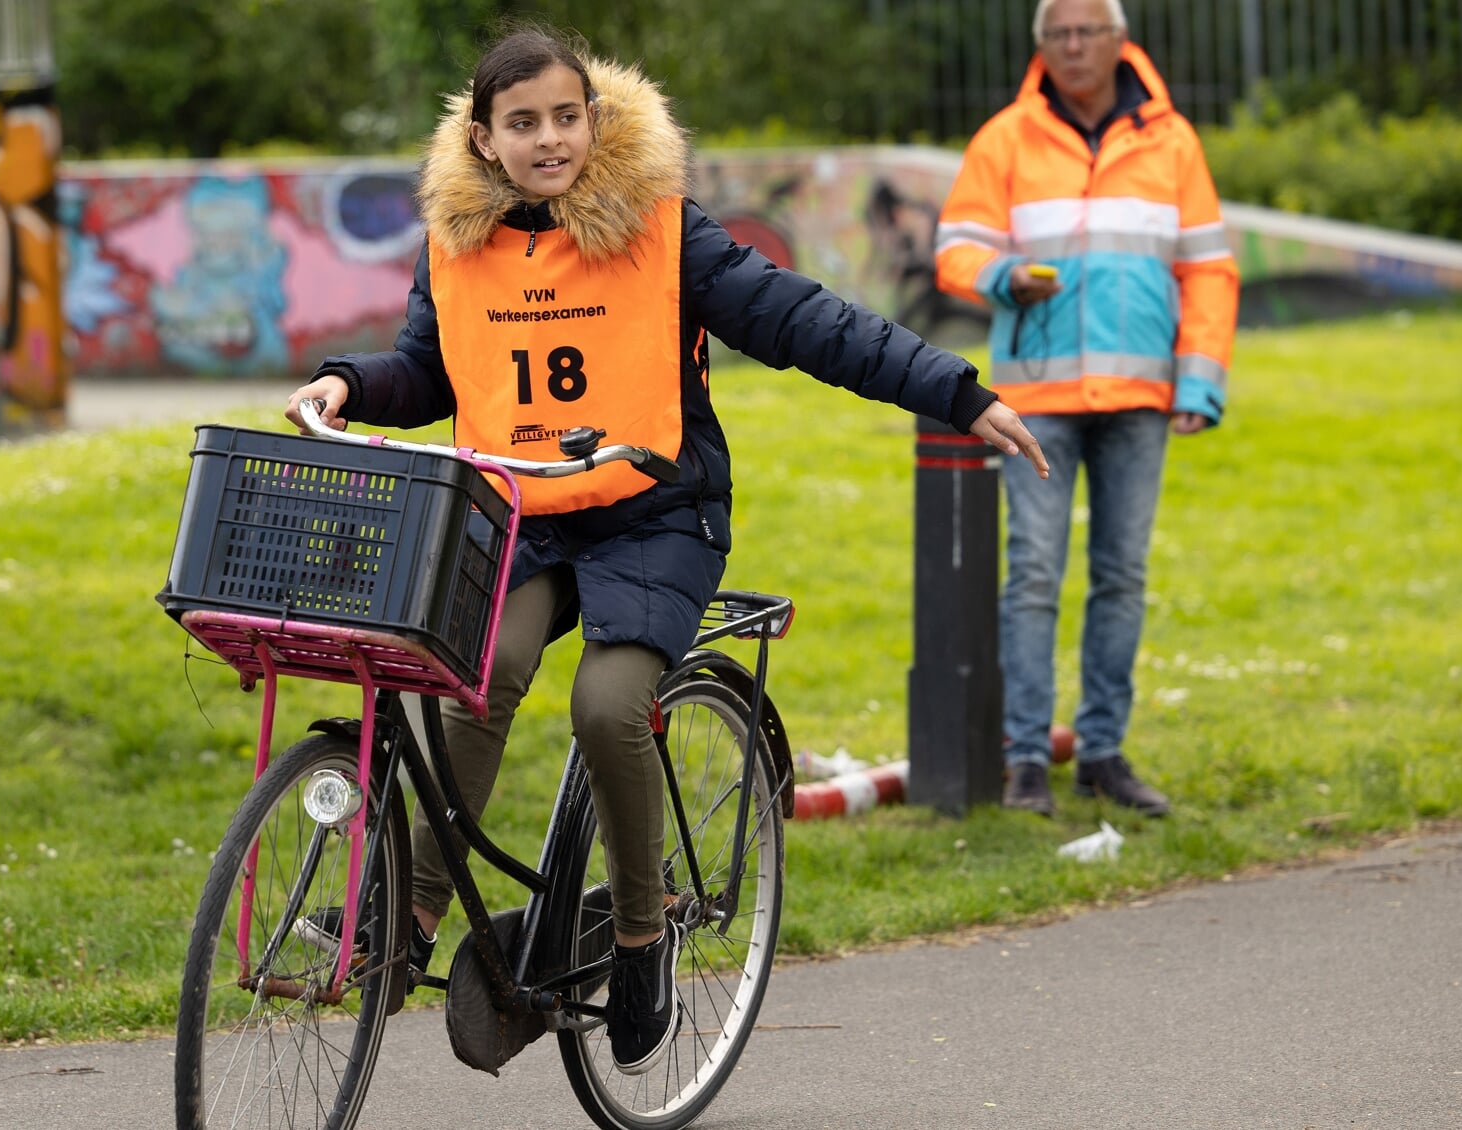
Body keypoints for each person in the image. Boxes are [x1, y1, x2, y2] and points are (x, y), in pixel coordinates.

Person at [284, 23, 1047, 1074]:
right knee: (477, 674)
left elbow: (806, 322)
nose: (548, 139)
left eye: (565, 116)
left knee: (607, 704)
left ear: (593, 120)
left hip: (655, 512)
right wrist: (350, 383)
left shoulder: (663, 230)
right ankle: (407, 913)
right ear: (483, 139)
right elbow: (428, 369)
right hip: (526, 511)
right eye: (522, 123)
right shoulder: (454, 246)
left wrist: (955, 392)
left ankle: (641, 936)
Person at [934, 0, 1240, 818]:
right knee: (1033, 575)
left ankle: (1101, 751)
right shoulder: (1005, 137)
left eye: (1087, 32)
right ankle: (1027, 762)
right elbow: (954, 249)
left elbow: (1209, 269)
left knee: (1121, 576)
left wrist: (1200, 380)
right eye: (1057, 35)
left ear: (1118, 41)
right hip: (1036, 399)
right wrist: (1001, 277)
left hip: (1142, 396)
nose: (1073, 47)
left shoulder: (1173, 141)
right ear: (1042, 46)